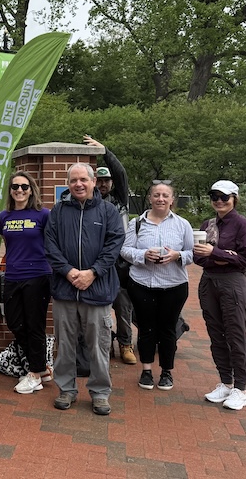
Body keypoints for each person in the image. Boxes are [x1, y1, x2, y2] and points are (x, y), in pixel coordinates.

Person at [45, 163, 124, 415]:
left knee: (99, 346)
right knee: (65, 345)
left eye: (83, 179)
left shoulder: (108, 211)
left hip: (97, 290)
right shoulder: (58, 212)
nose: (78, 184)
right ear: (68, 184)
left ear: (92, 182)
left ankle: (100, 393)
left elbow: (114, 245)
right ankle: (66, 390)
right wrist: (68, 272)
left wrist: (93, 273)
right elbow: (50, 246)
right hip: (65, 290)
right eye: (73, 180)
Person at [120, 181, 193, 391]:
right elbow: (125, 250)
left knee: (168, 329)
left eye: (165, 195)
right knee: (146, 328)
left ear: (172, 200)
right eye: (156, 195)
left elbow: (192, 253)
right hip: (142, 284)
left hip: (174, 285)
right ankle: (146, 370)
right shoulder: (137, 223)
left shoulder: (182, 224)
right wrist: (143, 255)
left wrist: (177, 255)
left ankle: (166, 372)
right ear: (150, 198)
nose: (160, 199)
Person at [194, 180, 246, 411]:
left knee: (235, 333)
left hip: (232, 283)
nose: (219, 200)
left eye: (224, 196)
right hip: (209, 281)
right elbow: (198, 257)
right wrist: (220, 256)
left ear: (234, 199)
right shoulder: (207, 224)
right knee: (216, 333)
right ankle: (226, 382)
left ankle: (241, 388)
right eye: (215, 196)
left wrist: (215, 252)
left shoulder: (241, 223)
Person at [0, 171, 52, 394]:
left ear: (31, 190)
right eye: (15, 187)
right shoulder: (4, 216)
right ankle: (42, 368)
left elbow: (52, 244)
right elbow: (4, 245)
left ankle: (36, 373)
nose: (19, 190)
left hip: (38, 275)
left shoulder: (43, 214)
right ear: (10, 191)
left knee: (34, 324)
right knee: (15, 322)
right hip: (12, 275)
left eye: (24, 187)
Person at [84, 135, 136, 366]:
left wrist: (105, 151)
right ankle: (104, 345)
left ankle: (125, 344)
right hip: (97, 263)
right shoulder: (91, 202)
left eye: (107, 181)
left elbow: (122, 173)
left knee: (123, 307)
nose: (103, 184)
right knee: (98, 310)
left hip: (120, 263)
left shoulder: (120, 201)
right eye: (100, 181)